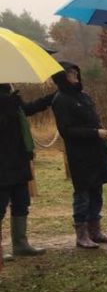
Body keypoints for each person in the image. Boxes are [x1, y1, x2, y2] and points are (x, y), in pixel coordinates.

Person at [50, 62, 107, 249]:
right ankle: (82, 234)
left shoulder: (84, 96)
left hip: (97, 152)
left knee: (97, 191)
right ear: (62, 77)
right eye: (70, 73)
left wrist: (104, 139)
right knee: (83, 194)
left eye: (75, 72)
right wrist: (94, 133)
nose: (75, 75)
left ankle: (95, 230)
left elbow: (94, 119)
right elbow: (67, 131)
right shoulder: (60, 99)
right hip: (79, 155)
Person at [0, 83, 54, 264]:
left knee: (21, 202)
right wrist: (6, 103)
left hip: (18, 159)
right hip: (3, 163)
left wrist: (49, 99)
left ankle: (20, 244)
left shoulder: (11, 98)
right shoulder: (7, 101)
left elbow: (27, 109)